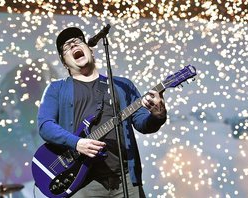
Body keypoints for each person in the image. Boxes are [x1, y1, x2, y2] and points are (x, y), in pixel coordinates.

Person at [37, 26, 167, 197]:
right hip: (82, 184)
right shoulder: (56, 89)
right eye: (67, 47)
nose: (73, 46)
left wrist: (158, 116)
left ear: (90, 49)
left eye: (77, 41)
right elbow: (45, 126)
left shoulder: (122, 85)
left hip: (125, 179)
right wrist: (77, 143)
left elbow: (142, 124)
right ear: (63, 61)